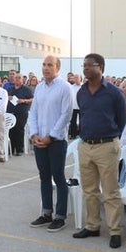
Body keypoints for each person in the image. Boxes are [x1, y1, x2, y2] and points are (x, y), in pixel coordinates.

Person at [71, 53, 126, 249]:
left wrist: (111, 139)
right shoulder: (81, 92)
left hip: (107, 146)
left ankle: (115, 231)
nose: (85, 69)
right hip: (85, 146)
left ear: (100, 67)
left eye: (89, 66)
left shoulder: (114, 92)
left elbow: (121, 120)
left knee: (110, 191)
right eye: (83, 66)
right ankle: (93, 226)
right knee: (90, 190)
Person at [28, 56, 73, 232]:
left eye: (50, 65)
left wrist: (51, 137)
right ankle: (46, 212)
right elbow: (33, 113)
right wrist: (34, 134)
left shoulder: (65, 88)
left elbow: (66, 115)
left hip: (56, 141)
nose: (46, 68)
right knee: (44, 176)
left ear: (58, 68)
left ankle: (60, 216)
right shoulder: (39, 87)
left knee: (58, 176)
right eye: (44, 65)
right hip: (40, 140)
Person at [6, 73, 34, 155]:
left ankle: (19, 150)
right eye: (16, 78)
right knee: (11, 131)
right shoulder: (10, 89)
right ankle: (11, 149)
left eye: (19, 78)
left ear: (22, 80)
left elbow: (32, 99)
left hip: (21, 113)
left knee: (19, 130)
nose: (17, 79)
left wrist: (24, 101)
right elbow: (4, 98)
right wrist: (8, 97)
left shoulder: (26, 89)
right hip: (11, 112)